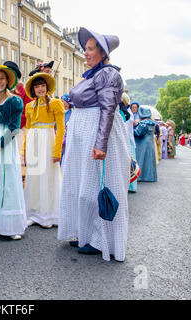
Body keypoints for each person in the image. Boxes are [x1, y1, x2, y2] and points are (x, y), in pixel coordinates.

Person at [58, 27, 130, 262]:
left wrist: (101, 144)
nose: (85, 53)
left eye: (90, 49)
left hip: (96, 132)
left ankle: (102, 240)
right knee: (81, 186)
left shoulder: (108, 74)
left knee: (97, 186)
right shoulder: (93, 75)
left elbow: (108, 110)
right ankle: (84, 233)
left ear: (102, 52)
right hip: (84, 131)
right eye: (85, 48)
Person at [0, 65, 27, 240]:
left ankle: (11, 225)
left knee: (6, 180)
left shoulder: (14, 101)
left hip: (5, 143)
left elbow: (14, 128)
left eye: (2, 78)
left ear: (8, 81)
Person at [24, 72, 65, 229]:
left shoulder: (55, 104)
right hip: (34, 141)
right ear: (33, 90)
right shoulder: (29, 106)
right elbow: (28, 129)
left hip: (48, 140)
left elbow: (60, 129)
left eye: (42, 86)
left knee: (48, 176)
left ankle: (48, 213)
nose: (40, 89)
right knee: (34, 177)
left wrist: (57, 151)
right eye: (36, 86)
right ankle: (35, 212)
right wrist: (24, 150)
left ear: (47, 88)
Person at [134, 107, 157, 182]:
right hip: (150, 143)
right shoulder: (152, 123)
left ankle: (141, 176)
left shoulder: (143, 123)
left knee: (141, 159)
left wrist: (131, 130)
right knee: (149, 160)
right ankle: (150, 176)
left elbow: (138, 133)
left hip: (142, 143)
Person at [60, 93, 74, 163]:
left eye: (62, 101)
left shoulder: (72, 114)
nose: (61, 103)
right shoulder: (59, 113)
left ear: (67, 103)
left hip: (67, 139)